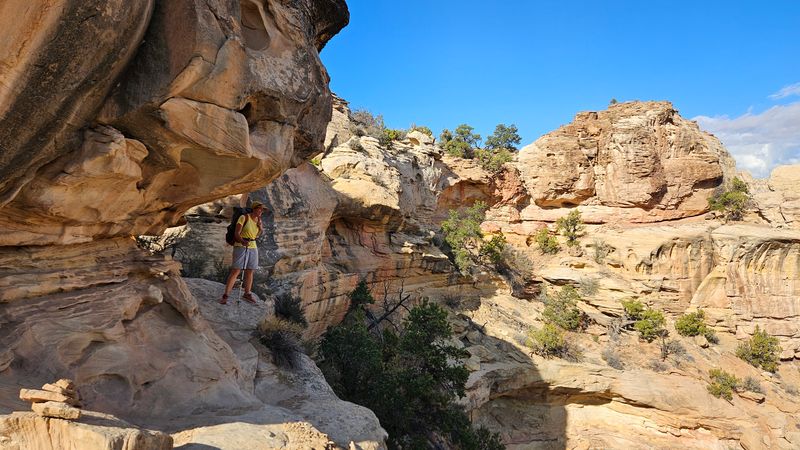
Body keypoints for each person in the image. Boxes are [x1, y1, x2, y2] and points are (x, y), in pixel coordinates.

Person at [220, 202, 265, 305]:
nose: (261, 212)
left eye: (262, 210)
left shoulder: (258, 220)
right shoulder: (244, 218)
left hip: (253, 246)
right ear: (254, 209)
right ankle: (225, 295)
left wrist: (260, 228)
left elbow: (257, 235)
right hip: (241, 246)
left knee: (250, 270)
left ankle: (247, 293)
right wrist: (242, 241)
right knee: (236, 270)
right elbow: (237, 233)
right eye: (260, 209)